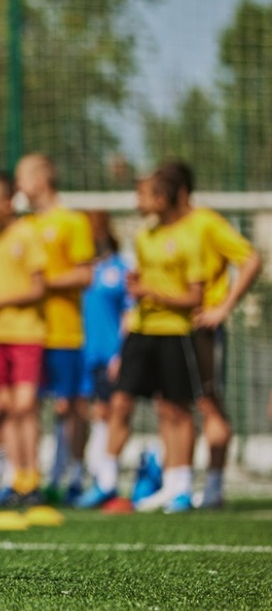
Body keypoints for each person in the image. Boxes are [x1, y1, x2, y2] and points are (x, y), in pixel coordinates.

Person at [80, 172, 204, 513]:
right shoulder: (145, 236)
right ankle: (105, 481)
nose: (137, 202)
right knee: (120, 402)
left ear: (161, 200)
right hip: (141, 330)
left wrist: (151, 291)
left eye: (143, 195)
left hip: (175, 331)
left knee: (174, 409)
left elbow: (195, 295)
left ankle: (179, 487)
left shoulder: (189, 237)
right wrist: (139, 285)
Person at [156, 161, 262, 509]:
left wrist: (224, 307)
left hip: (203, 327)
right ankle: (176, 485)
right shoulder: (167, 228)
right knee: (171, 404)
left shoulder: (207, 223)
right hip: (172, 328)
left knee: (208, 403)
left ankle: (214, 486)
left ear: (179, 192)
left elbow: (250, 259)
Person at [15, 154, 95, 506]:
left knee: (71, 405)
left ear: (39, 181)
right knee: (27, 405)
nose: (19, 186)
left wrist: (41, 283)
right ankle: (30, 477)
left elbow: (84, 273)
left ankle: (75, 474)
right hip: (26, 331)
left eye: (22, 177)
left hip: (64, 331)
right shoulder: (25, 226)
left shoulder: (72, 222)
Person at [0, 174, 47, 508]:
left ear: (8, 203)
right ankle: (17, 478)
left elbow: (37, 288)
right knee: (6, 410)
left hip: (26, 332)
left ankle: (33, 478)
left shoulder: (28, 234)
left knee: (24, 407)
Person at [78, 210, 131, 501]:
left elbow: (129, 313)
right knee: (97, 412)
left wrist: (122, 353)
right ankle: (96, 475)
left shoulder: (120, 268)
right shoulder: (84, 271)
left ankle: (107, 477)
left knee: (116, 410)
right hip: (86, 354)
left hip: (112, 353)